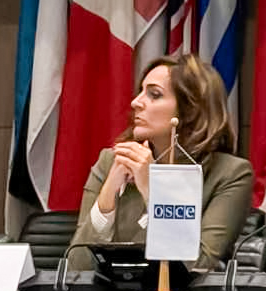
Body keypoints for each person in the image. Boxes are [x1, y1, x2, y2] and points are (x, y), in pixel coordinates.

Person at [70, 53, 253, 272]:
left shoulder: (230, 174)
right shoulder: (111, 161)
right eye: (140, 92)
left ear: (190, 110)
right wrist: (108, 195)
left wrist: (154, 191)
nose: (136, 102)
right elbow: (76, 268)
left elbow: (199, 266)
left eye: (154, 95)